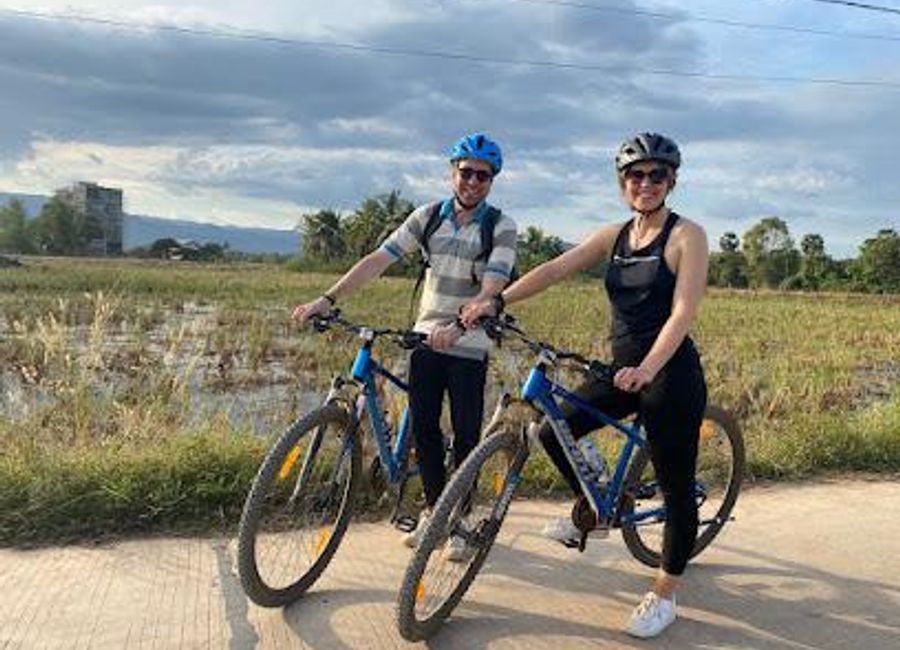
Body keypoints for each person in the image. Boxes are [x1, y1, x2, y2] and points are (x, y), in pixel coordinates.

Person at [460, 132, 707, 638]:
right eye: (636, 175)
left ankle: (664, 593)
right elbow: (554, 269)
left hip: (670, 374)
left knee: (675, 482)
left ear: (672, 181)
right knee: (552, 430)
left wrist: (650, 367)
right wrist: (497, 301)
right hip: (621, 371)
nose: (646, 183)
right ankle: (593, 509)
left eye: (656, 175)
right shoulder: (613, 236)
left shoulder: (686, 236)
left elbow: (683, 310)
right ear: (623, 183)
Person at [292, 133, 517, 560]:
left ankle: (462, 521)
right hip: (425, 339)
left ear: (492, 181)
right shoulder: (428, 216)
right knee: (426, 430)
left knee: (466, 434)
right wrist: (328, 298)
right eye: (465, 172)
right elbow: (379, 259)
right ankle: (435, 510)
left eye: (482, 176)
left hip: (468, 342)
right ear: (453, 172)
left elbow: (492, 287)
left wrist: (461, 321)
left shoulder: (500, 226)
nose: (472, 181)